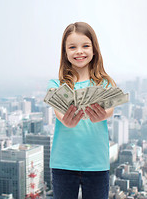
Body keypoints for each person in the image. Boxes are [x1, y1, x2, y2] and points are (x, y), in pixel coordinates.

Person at [47, 22, 116, 199]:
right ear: (65, 52)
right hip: (63, 163)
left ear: (94, 50)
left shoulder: (105, 84)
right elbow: (58, 112)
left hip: (96, 164)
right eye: (72, 47)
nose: (79, 51)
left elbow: (110, 109)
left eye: (85, 46)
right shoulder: (56, 85)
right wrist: (66, 120)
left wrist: (103, 114)